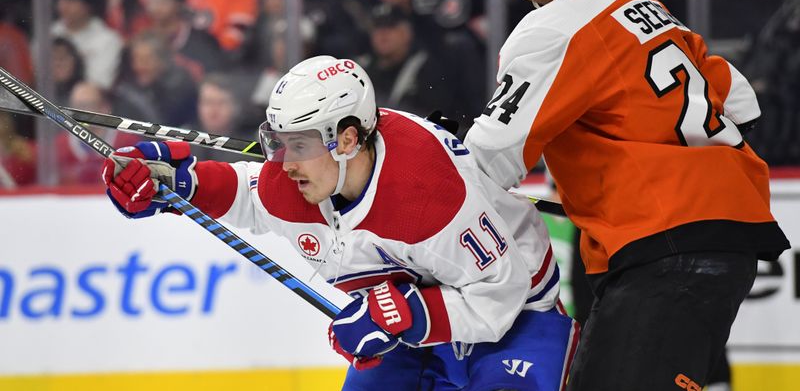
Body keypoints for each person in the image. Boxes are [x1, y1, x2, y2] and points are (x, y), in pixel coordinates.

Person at [462, 0, 790, 391]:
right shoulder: (646, 9)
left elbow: (490, 157)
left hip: (665, 246)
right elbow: (741, 101)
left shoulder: (554, 27)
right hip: (717, 238)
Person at [101, 55, 578, 390]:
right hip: (411, 325)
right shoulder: (302, 174)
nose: (285, 162)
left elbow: (502, 292)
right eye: (281, 141)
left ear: (348, 138)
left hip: (516, 318)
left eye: (301, 144)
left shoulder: (426, 192)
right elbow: (251, 195)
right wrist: (178, 185)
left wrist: (400, 313)